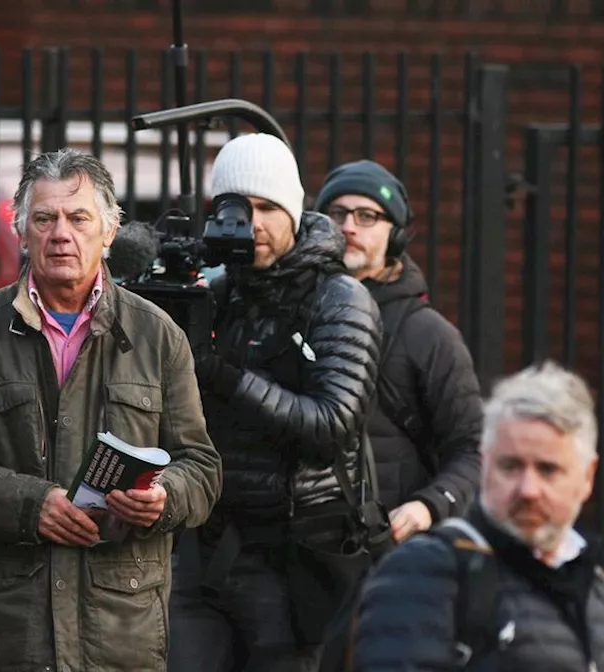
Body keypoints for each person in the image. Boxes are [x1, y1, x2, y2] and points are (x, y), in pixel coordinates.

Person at [0, 148, 222, 671]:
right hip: (5, 633)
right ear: (22, 232)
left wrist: (164, 499)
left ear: (109, 231)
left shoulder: (158, 337)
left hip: (119, 636)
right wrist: (33, 504)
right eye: (44, 219)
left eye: (78, 218)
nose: (60, 233)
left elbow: (202, 469)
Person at [170, 133, 383, 671]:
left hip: (294, 554)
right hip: (208, 542)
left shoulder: (339, 298)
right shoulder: (216, 291)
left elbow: (332, 424)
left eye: (266, 208)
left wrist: (226, 375)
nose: (253, 225)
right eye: (236, 209)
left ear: (293, 209)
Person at [353, 361, 604, 670]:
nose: (528, 490)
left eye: (548, 469)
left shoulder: (598, 591)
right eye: (510, 466)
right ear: (485, 465)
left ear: (587, 477)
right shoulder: (425, 573)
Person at [314, 159, 482, 543]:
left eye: (367, 216)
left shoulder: (429, 334)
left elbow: (472, 449)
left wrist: (430, 505)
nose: (349, 226)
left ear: (397, 235)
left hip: (381, 548)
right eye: (337, 213)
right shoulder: (291, 310)